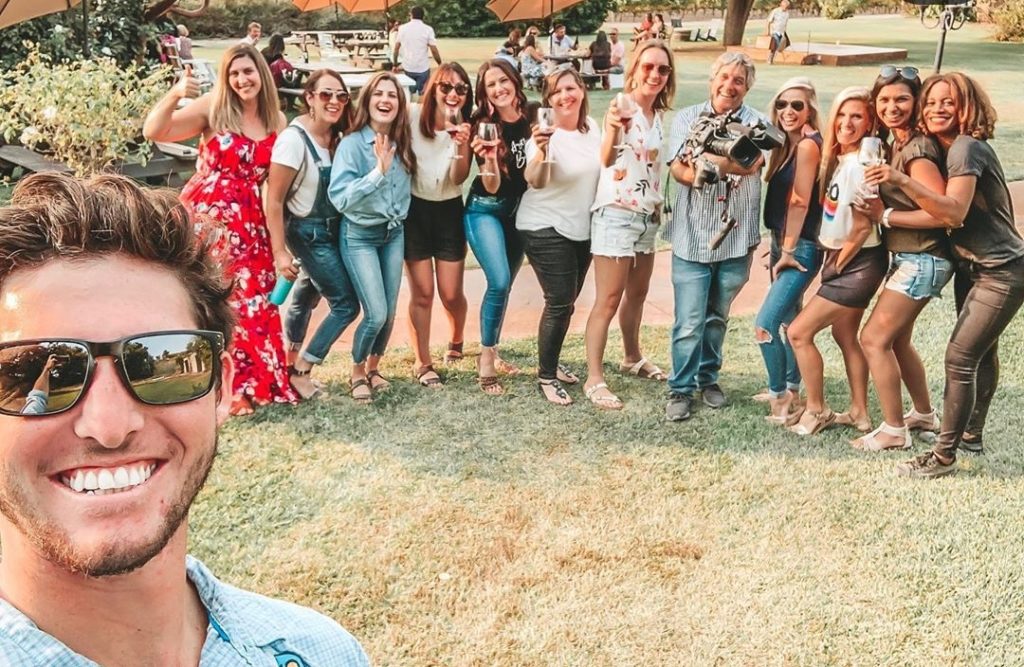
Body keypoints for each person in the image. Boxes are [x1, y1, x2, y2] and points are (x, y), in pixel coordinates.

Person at [0, 172, 369, 665]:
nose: (109, 426)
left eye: (164, 360)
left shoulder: (324, 652)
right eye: (37, 372)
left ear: (222, 388)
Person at [857, 73, 1024, 478]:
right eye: (930, 101)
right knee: (982, 353)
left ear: (967, 106)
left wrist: (896, 187)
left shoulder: (966, 147)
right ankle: (971, 435)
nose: (936, 109)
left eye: (947, 102)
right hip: (972, 265)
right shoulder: (948, 149)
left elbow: (952, 213)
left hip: (1000, 269)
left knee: (960, 358)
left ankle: (943, 457)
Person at [143, 44, 298, 416]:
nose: (242, 80)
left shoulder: (276, 119)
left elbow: (277, 186)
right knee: (217, 297)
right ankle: (226, 386)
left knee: (254, 299)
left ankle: (259, 380)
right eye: (234, 73)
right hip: (208, 216)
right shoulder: (215, 106)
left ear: (262, 73)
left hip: (252, 220)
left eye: (248, 71)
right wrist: (177, 94)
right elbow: (155, 130)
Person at [853, 66, 950, 451]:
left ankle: (894, 429)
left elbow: (943, 212)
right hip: (908, 257)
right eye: (885, 100)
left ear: (917, 102)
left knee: (873, 340)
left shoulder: (917, 151)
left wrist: (885, 216)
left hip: (922, 258)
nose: (892, 107)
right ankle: (924, 414)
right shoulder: (893, 144)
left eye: (902, 99)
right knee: (897, 341)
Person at [665, 52, 765, 422]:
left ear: (747, 86)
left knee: (717, 317)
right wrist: (716, 166)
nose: (730, 85)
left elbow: (753, 163)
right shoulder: (687, 117)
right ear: (712, 80)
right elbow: (678, 168)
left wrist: (705, 162)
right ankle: (680, 388)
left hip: (735, 236)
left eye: (739, 80)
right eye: (724, 77)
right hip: (692, 234)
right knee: (689, 320)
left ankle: (708, 378)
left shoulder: (758, 121)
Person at [785, 86, 886, 436]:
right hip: (846, 257)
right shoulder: (845, 159)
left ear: (870, 122)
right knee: (846, 335)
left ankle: (816, 409)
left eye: (856, 116)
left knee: (799, 332)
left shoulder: (863, 166)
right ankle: (859, 412)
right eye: (842, 114)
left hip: (855, 261)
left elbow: (861, 229)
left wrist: (836, 265)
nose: (846, 122)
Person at [584, 40, 675, 411]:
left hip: (646, 217)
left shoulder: (659, 116)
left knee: (637, 294)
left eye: (663, 69)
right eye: (649, 66)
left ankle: (631, 356)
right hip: (616, 213)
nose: (655, 74)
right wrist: (612, 129)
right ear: (635, 68)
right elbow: (607, 158)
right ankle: (594, 377)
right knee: (608, 299)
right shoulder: (622, 107)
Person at [265, 69, 358, 401]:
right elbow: (274, 200)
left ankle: (288, 361)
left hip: (333, 230)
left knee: (306, 296)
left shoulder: (337, 136)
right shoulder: (294, 140)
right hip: (308, 232)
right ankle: (303, 369)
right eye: (325, 95)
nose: (334, 102)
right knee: (346, 304)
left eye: (341, 96)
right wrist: (280, 253)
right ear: (309, 98)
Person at [516, 67, 602, 405]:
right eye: (557, 92)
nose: (565, 96)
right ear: (548, 100)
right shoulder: (543, 135)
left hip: (582, 229)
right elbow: (535, 179)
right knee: (559, 300)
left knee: (567, 301)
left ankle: (550, 360)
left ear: (582, 91)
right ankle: (547, 376)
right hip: (544, 226)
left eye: (571, 88)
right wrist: (542, 151)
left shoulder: (593, 128)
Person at [329, 72, 415, 404]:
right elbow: (341, 199)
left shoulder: (403, 141)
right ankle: (356, 371)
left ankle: (374, 368)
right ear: (367, 101)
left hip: (393, 233)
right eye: (378, 94)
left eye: (392, 95)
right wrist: (378, 172)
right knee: (375, 313)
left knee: (390, 311)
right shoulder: (352, 145)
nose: (385, 100)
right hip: (360, 235)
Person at [754, 77, 823, 425]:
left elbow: (800, 202)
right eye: (782, 104)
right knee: (788, 319)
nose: (788, 111)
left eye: (797, 105)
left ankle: (780, 398)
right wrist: (779, 245)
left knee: (765, 324)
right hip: (784, 242)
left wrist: (790, 249)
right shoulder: (786, 145)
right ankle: (793, 387)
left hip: (801, 247)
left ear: (811, 108)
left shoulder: (809, 146)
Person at [465, 59, 535, 395]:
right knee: (499, 280)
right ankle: (486, 358)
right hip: (485, 210)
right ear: (484, 92)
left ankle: (493, 347)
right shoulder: (484, 125)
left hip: (520, 214)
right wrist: (491, 158)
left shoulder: (535, 116)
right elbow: (491, 186)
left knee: (505, 287)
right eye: (491, 84)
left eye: (503, 80)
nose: (498, 88)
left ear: (515, 81)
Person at [406, 64, 474, 388]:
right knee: (422, 293)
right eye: (445, 87)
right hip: (414, 211)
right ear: (432, 88)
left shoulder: (465, 128)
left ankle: (457, 339)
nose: (452, 94)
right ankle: (423, 361)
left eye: (460, 89)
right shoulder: (411, 118)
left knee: (451, 294)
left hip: (448, 211)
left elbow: (458, 178)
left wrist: (462, 144)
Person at [394, 6, 442, 96]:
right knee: (423, 95)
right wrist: (440, 64)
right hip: (423, 67)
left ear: (410, 15)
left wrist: (395, 64)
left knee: (409, 94)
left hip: (408, 66)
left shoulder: (402, 28)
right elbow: (434, 50)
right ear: (423, 16)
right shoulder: (428, 29)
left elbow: (396, 48)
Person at [766, 0, 791, 64]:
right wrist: (768, 31)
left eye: (787, 7)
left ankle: (775, 55)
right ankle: (770, 59)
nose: (785, 8)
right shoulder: (775, 11)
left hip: (782, 32)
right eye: (785, 6)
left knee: (786, 44)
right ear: (781, 5)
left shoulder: (787, 13)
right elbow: (769, 21)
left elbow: (785, 23)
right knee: (774, 45)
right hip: (775, 31)